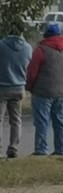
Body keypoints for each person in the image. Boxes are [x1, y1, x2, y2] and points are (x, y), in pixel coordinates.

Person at [26, 22, 63, 156]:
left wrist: (29, 86)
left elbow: (32, 72)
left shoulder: (40, 50)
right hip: (61, 90)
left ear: (46, 35)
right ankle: (61, 149)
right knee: (59, 120)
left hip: (43, 91)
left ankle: (41, 149)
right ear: (59, 35)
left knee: (42, 121)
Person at [0, 26, 30, 159]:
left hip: (2, 86)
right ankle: (13, 148)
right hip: (19, 87)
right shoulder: (28, 48)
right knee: (16, 120)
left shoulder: (1, 45)